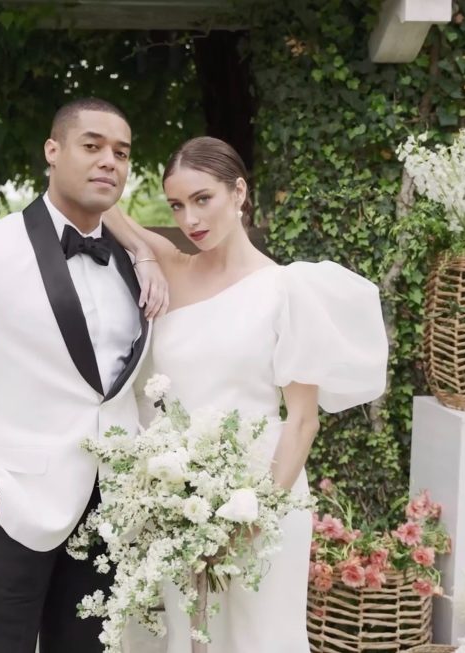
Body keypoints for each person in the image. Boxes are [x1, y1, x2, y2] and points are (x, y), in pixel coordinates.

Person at [0, 97, 168, 653]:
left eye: (121, 152)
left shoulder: (128, 261)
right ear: (52, 150)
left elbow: (126, 392)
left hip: (108, 515)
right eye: (91, 146)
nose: (108, 162)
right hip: (15, 509)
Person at [104, 136, 389, 652]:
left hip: (264, 490)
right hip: (179, 496)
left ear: (239, 193)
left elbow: (303, 419)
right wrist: (143, 251)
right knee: (181, 636)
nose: (190, 218)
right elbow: (106, 207)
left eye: (203, 198)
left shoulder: (288, 289)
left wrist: (255, 516)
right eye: (177, 205)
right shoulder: (172, 265)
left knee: (256, 638)